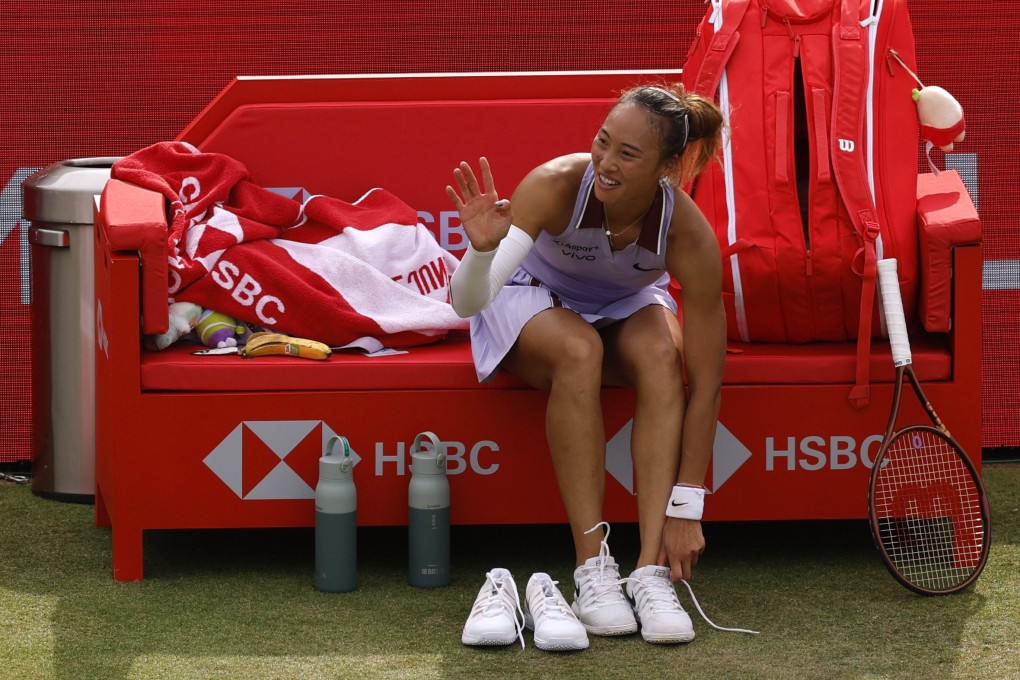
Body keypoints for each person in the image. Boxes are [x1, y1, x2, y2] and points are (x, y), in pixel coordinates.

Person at [447, 83, 726, 645]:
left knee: (662, 355)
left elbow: (706, 381)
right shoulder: (555, 184)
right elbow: (468, 301)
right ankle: (593, 570)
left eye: (629, 153)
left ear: (667, 168)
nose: (606, 162)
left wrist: (687, 504)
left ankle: (649, 573)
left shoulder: (686, 230)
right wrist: (480, 251)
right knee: (581, 350)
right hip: (530, 296)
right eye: (603, 141)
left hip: (622, 304)